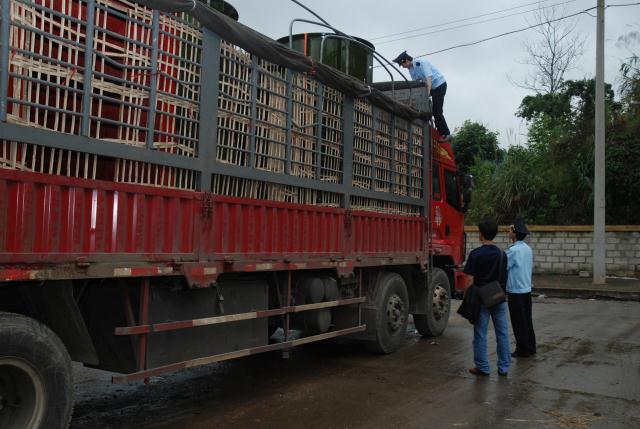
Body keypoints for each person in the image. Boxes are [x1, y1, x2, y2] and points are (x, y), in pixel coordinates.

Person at [463, 217, 511, 376]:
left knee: (480, 333)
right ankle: (504, 367)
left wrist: (467, 297)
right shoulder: (502, 254)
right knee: (502, 333)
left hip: (481, 298)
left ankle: (483, 367)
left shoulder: (476, 254)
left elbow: (469, 279)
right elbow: (505, 276)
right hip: (498, 296)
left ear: (481, 234)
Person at [392, 51, 451, 141]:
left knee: (437, 111)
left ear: (406, 61)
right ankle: (441, 133)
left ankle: (446, 134)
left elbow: (429, 78)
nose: (403, 67)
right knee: (433, 110)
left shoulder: (422, 63)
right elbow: (417, 83)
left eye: (402, 64)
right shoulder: (411, 70)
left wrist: (427, 94)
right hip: (432, 88)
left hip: (439, 85)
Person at [506, 219, 536, 358]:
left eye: (511, 230)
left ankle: (522, 349)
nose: (509, 231)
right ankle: (530, 346)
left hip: (515, 290)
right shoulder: (528, 249)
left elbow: (504, 266)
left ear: (515, 234)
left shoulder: (513, 251)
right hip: (526, 289)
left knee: (518, 321)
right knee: (527, 319)